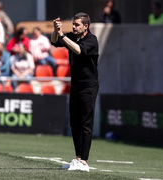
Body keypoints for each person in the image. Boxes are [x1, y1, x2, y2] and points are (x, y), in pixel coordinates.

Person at [51, 13, 99, 172]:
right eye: (73, 24)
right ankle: (77, 158)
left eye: (77, 25)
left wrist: (63, 35)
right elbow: (54, 41)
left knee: (86, 123)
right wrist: (56, 31)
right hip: (76, 86)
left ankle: (84, 162)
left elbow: (78, 50)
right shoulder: (71, 36)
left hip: (88, 87)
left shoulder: (92, 40)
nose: (73, 27)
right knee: (75, 123)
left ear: (86, 26)